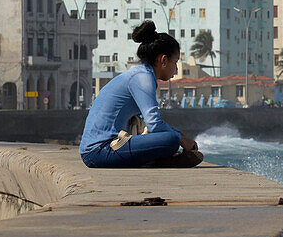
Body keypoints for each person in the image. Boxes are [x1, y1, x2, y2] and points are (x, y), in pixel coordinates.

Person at [79, 21, 203, 168]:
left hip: (97, 151)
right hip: (100, 151)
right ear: (163, 60)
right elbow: (154, 124)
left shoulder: (140, 74)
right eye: (175, 62)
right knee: (171, 140)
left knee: (171, 138)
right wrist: (182, 138)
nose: (176, 69)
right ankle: (162, 160)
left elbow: (147, 121)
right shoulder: (143, 78)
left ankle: (160, 159)